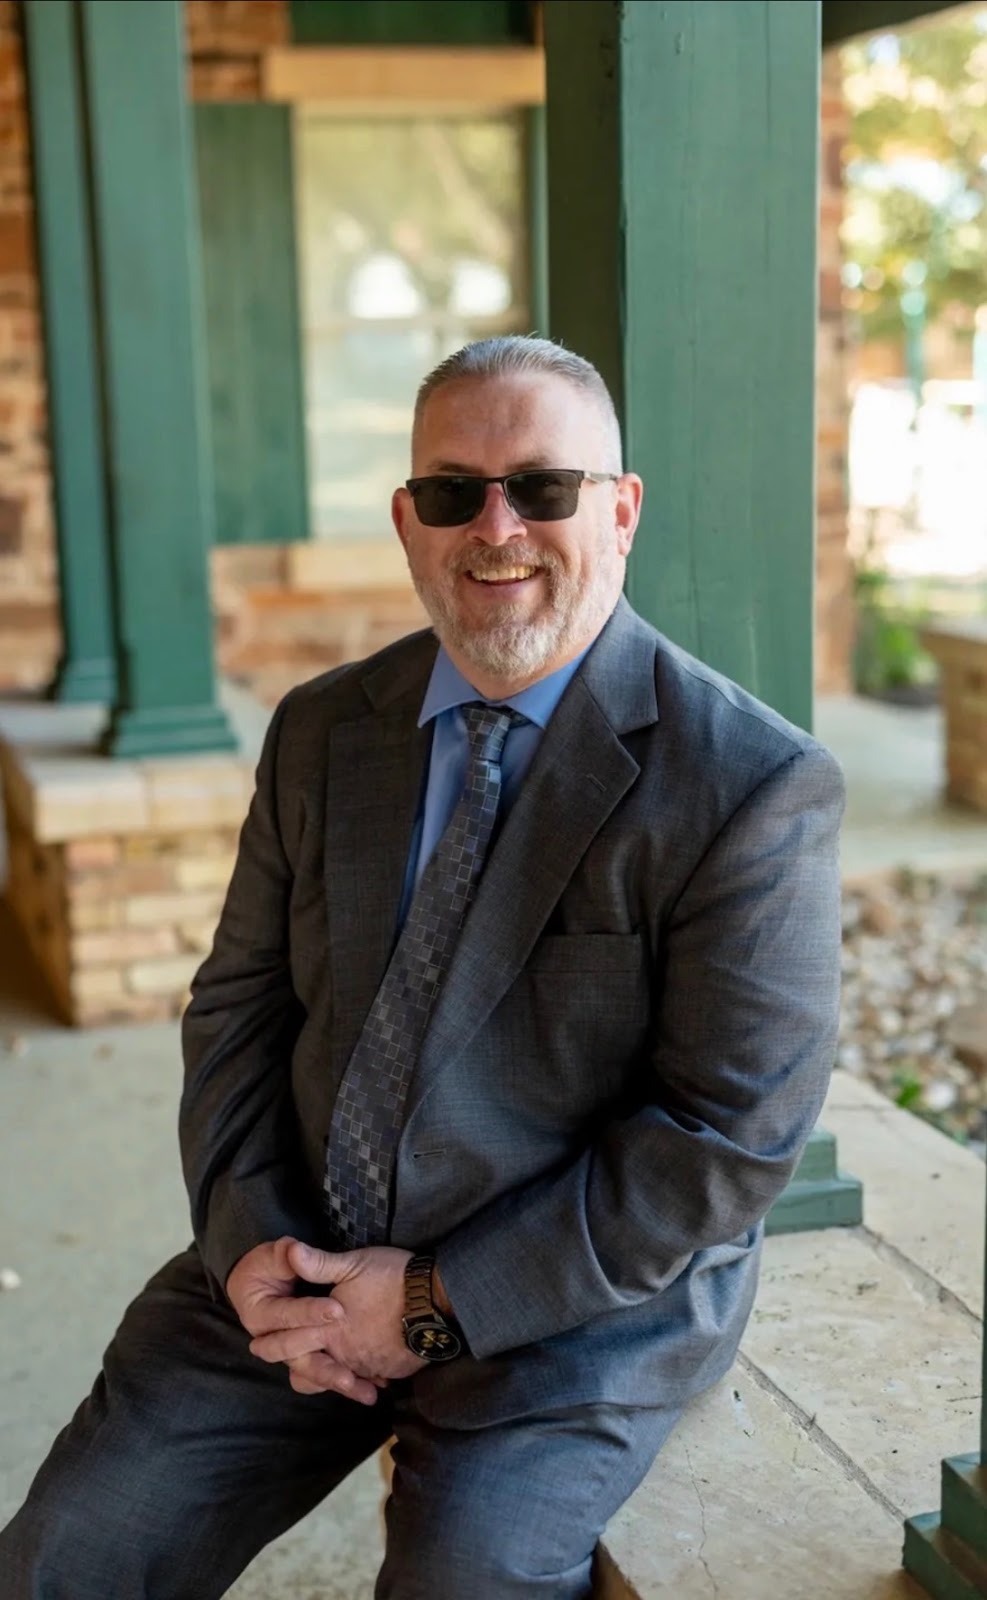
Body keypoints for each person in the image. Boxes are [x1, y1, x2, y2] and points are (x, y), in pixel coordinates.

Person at [0, 336, 844, 1598]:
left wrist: (433, 1302)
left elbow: (722, 1141)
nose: (496, 526)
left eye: (543, 487)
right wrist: (250, 1248)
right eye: (453, 491)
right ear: (408, 520)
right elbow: (235, 1010)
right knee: (68, 1553)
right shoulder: (321, 728)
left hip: (569, 1308)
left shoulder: (748, 783)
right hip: (299, 1261)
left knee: (463, 1581)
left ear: (620, 509)